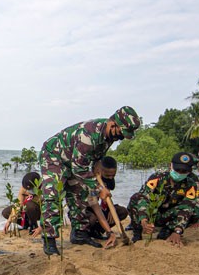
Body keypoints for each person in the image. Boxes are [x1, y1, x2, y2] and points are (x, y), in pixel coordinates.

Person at [39, 106, 141, 255]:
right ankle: (49, 240)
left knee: (79, 194)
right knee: (53, 194)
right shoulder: (89, 135)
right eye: (121, 133)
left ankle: (80, 234)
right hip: (54, 157)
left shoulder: (109, 135)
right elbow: (78, 168)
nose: (121, 137)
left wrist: (97, 167)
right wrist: (99, 189)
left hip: (74, 160)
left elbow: (96, 156)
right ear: (113, 124)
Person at [128, 152, 199, 247]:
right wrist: (144, 219)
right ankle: (137, 234)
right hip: (153, 213)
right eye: (177, 169)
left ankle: (167, 230)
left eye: (183, 171)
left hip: (169, 216)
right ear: (171, 166)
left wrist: (178, 231)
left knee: (196, 208)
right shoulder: (157, 178)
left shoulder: (191, 184)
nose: (179, 173)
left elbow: (186, 208)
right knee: (135, 198)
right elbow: (143, 197)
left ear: (189, 171)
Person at [86, 156, 128, 242]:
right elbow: (95, 205)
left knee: (122, 211)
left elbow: (106, 199)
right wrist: (110, 232)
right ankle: (86, 232)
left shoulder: (108, 179)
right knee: (92, 218)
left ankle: (97, 231)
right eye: (108, 175)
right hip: (88, 208)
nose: (110, 178)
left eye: (113, 175)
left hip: (97, 206)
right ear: (100, 171)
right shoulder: (91, 181)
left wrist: (111, 210)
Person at [2, 171, 42, 236]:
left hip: (39, 212)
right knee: (6, 212)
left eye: (31, 189)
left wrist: (43, 227)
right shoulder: (23, 189)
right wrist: (9, 221)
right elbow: (18, 205)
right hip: (27, 211)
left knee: (30, 205)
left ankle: (34, 225)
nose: (28, 191)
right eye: (27, 189)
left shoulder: (45, 189)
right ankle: (26, 224)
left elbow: (48, 208)